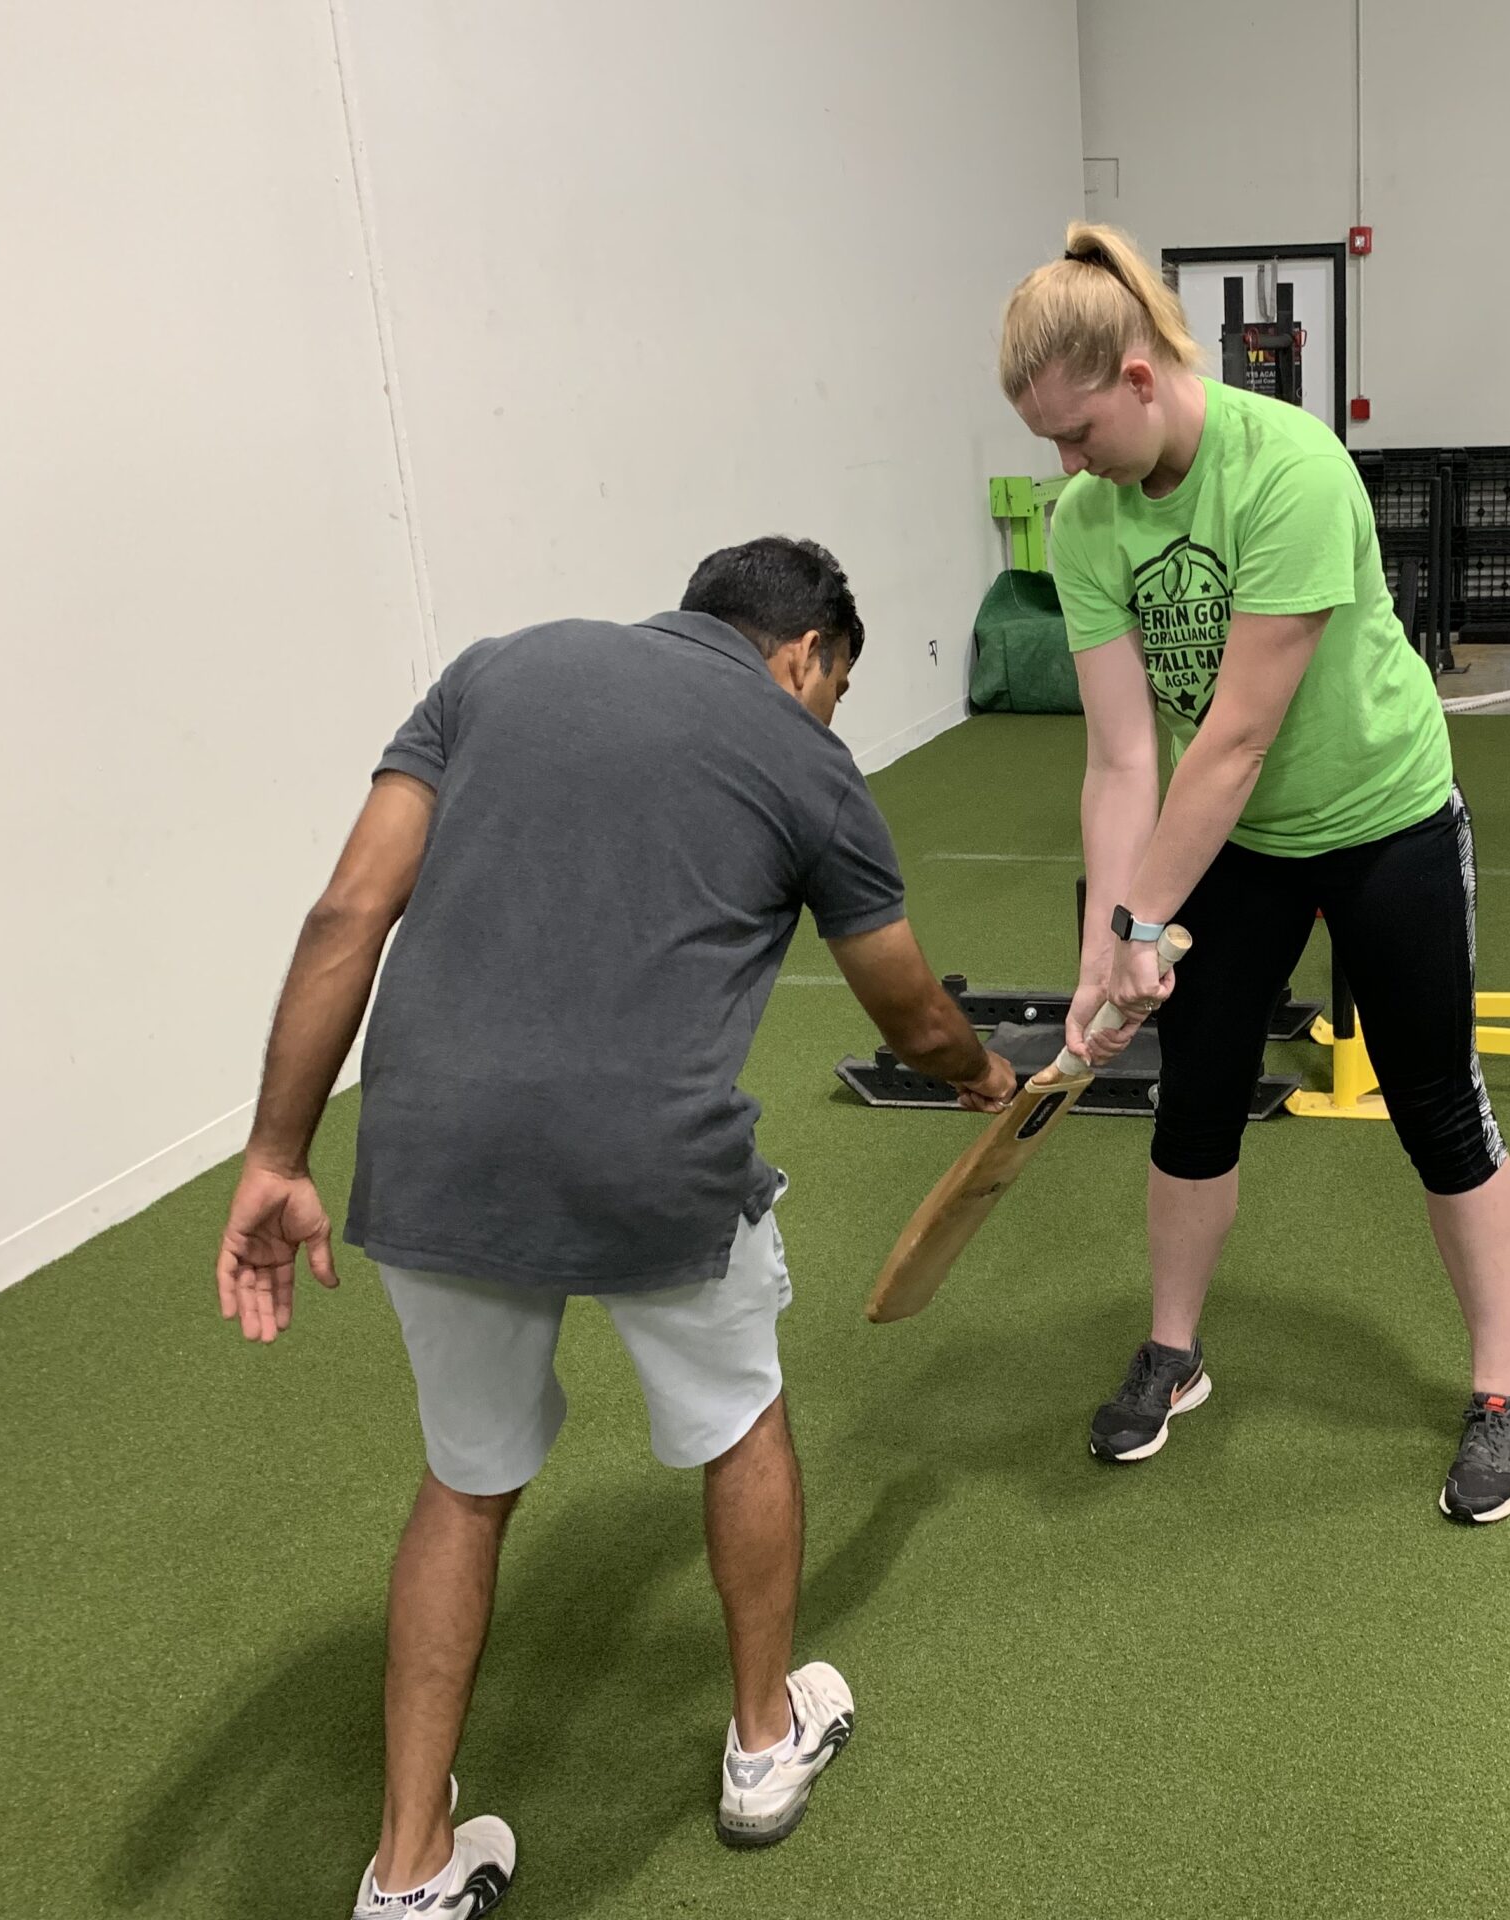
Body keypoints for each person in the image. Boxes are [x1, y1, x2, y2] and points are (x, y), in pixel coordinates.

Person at [210, 538, 1017, 1917]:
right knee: (741, 1420)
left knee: (464, 1483)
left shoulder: (490, 673)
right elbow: (909, 1012)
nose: (824, 712)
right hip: (655, 1164)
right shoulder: (806, 757)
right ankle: (765, 1742)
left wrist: (276, 1151)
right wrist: (987, 1081)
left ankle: (407, 1871)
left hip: (434, 1152)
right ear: (807, 653)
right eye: (833, 687)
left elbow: (352, 904)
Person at [997, 226, 1510, 1524]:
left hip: (1383, 815)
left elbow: (1234, 738)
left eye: (1078, 435)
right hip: (1236, 850)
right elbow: (1128, 755)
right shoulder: (1088, 521)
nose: (1067, 469)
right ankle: (1173, 1354)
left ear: (1139, 378)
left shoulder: (1288, 469)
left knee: (1434, 1103)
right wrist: (1100, 948)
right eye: (1050, 449)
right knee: (1195, 1097)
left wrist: (1144, 918)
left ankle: (1501, 1389)